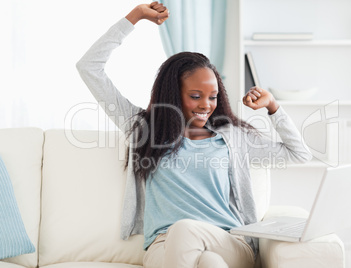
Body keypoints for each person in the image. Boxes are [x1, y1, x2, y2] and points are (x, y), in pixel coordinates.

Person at [76, 2, 312, 267]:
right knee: (208, 262)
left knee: (188, 231)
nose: (206, 105)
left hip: (228, 241)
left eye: (212, 97)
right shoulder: (144, 129)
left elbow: (299, 154)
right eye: (195, 96)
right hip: (164, 245)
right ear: (172, 94)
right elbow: (89, 67)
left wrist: (273, 107)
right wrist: (136, 16)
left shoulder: (231, 138)